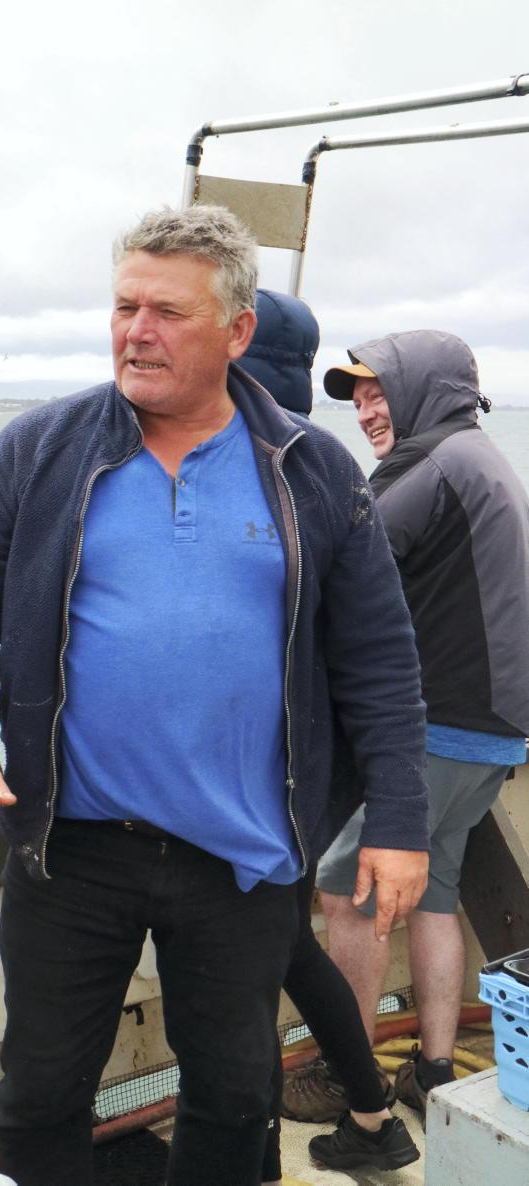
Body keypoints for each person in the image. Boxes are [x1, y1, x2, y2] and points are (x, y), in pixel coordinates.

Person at [0, 206, 430, 1186]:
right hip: (71, 844)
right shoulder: (37, 451)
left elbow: (380, 662)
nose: (136, 332)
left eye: (167, 313)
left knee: (235, 1097)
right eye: (124, 307)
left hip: (241, 852)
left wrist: (400, 820)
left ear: (237, 331)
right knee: (39, 1095)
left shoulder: (313, 471)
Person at [316, 330, 529, 1120]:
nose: (367, 412)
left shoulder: (430, 465)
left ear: (424, 391)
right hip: (494, 731)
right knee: (435, 893)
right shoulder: (478, 456)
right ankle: (433, 1071)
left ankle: (349, 1085)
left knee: (349, 892)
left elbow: (340, 566)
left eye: (380, 393)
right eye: (359, 399)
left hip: (437, 724)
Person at [239, 294, 420, 1174]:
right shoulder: (326, 469)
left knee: (250, 970)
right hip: (314, 780)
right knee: (290, 951)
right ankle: (375, 1115)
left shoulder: (281, 473)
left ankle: (285, 1143)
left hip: (268, 782)